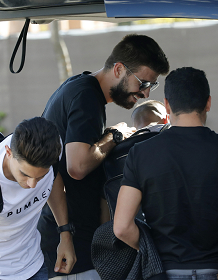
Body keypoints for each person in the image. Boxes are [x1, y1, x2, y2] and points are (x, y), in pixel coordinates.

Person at [39, 34, 170, 279]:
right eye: (142, 83)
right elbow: (76, 166)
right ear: (119, 69)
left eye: (151, 86)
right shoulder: (86, 96)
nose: (144, 93)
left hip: (68, 241)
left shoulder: (79, 87)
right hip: (71, 250)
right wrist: (115, 135)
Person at [113, 67, 218, 280]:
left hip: (163, 271)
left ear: (167, 105)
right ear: (208, 103)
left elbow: (121, 228)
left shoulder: (141, 153)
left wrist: (151, 249)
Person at [0, 117, 76, 280]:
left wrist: (65, 234)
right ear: (8, 152)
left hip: (32, 266)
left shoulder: (52, 147)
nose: (32, 185)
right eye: (25, 174)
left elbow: (54, 178)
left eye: (40, 177)